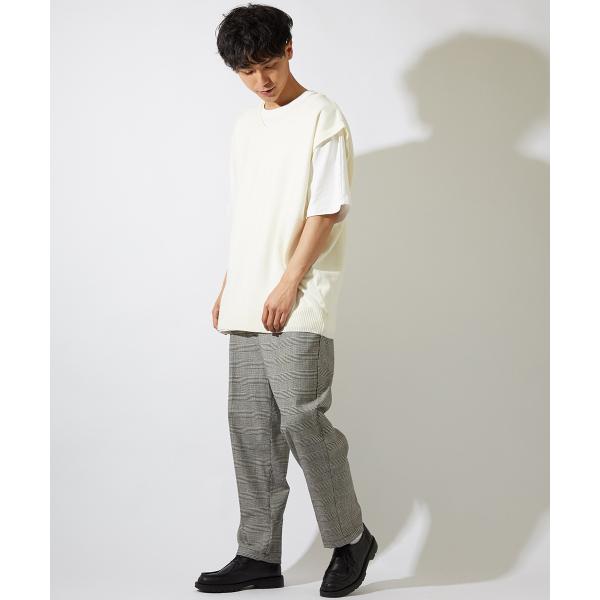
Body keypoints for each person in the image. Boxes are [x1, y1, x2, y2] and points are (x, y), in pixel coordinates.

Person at [195, 4, 377, 597]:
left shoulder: (322, 116)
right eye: (246, 72)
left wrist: (288, 280)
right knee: (251, 426)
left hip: (298, 293)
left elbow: (327, 209)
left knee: (302, 418)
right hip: (249, 293)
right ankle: (258, 555)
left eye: (268, 65)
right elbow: (252, 216)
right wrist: (232, 282)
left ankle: (351, 539)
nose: (261, 81)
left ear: (290, 49)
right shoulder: (245, 128)